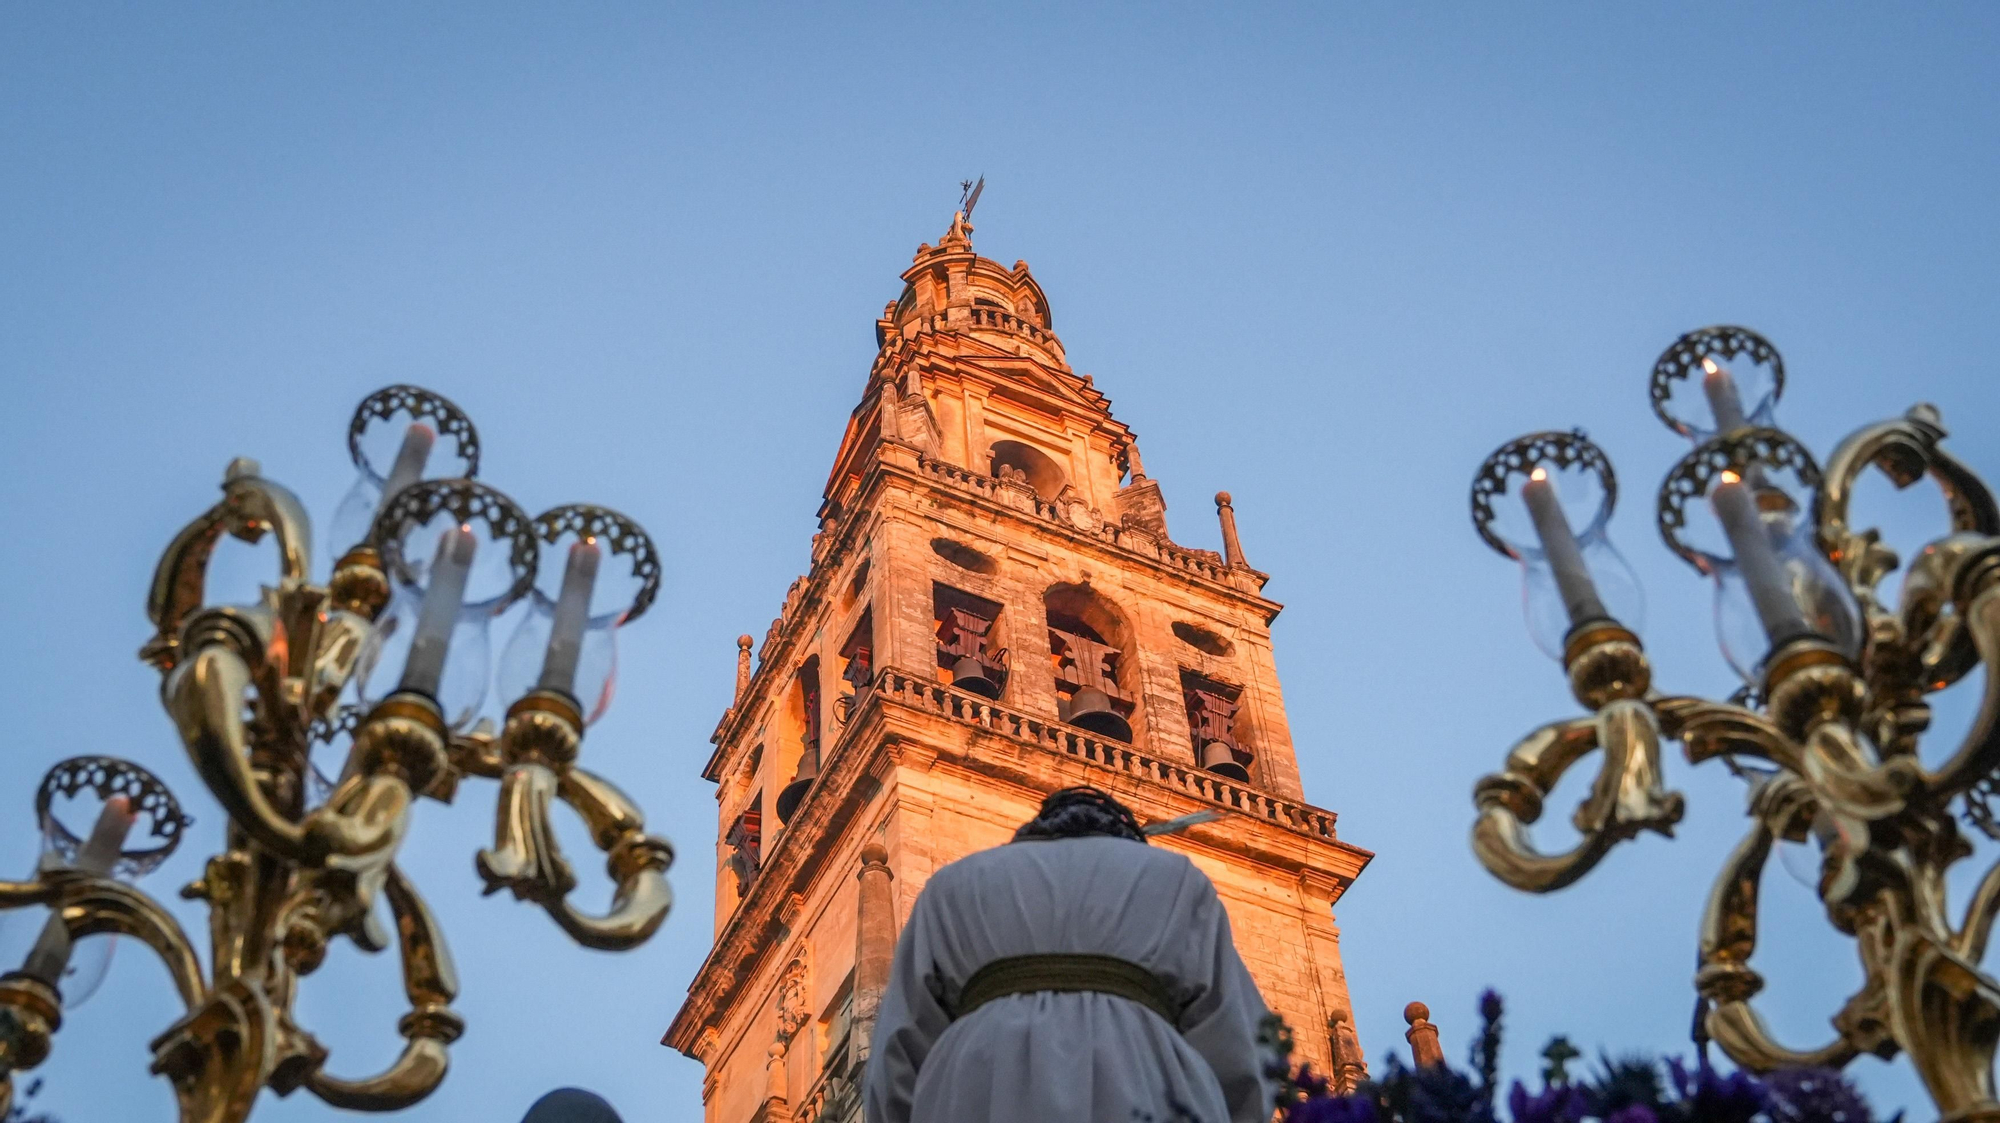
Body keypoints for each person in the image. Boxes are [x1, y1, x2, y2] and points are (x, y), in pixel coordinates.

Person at [863, 786, 1274, 1123]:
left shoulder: (952, 886)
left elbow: (899, 1048)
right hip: (1149, 1082)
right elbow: (1239, 1043)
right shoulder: (1178, 879)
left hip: (977, 1089)